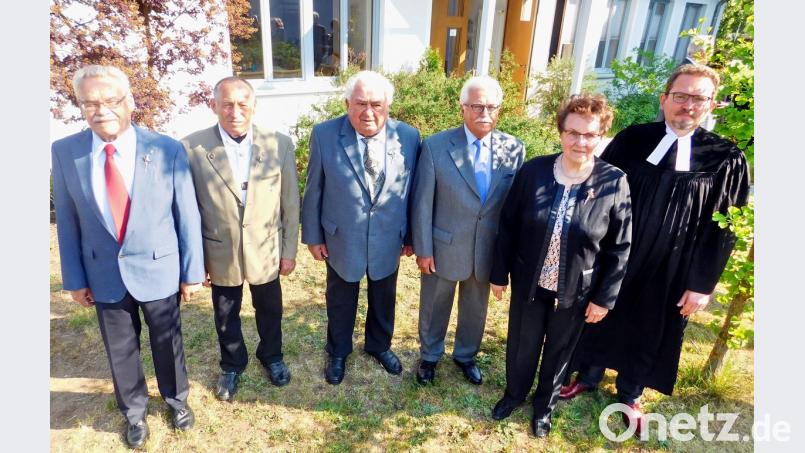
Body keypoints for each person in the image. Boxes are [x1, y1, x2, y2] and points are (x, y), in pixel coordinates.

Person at [562, 64, 751, 435]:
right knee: (600, 314)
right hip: (617, 254)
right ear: (664, 99)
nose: (688, 105)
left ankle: (630, 393)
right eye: (680, 96)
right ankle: (588, 375)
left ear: (712, 104)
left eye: (698, 98)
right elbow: (597, 192)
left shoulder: (726, 158)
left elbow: (724, 229)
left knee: (651, 326)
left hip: (674, 267)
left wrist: (702, 284)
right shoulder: (633, 139)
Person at [51, 65, 204, 448]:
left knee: (167, 341)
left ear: (130, 102)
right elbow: (66, 220)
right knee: (120, 349)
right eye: (90, 102)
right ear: (81, 106)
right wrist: (75, 279)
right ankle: (134, 413)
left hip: (158, 266)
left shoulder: (166, 148)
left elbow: (186, 213)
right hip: (103, 272)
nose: (101, 110)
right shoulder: (65, 152)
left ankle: (176, 400)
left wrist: (192, 272)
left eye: (110, 100)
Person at [487, 95, 632, 437]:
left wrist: (604, 298)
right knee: (522, 344)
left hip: (577, 289)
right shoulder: (534, 171)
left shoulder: (614, 182)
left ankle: (544, 408)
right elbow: (508, 224)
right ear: (561, 132)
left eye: (590, 134)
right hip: (529, 281)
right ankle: (514, 394)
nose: (580, 142)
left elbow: (620, 246)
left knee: (559, 351)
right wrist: (499, 274)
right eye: (573, 133)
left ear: (601, 136)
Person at [182, 77, 299, 401]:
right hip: (219, 250)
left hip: (266, 247)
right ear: (214, 106)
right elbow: (188, 210)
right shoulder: (191, 148)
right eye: (227, 104)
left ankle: (272, 355)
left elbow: (290, 202)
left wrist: (289, 250)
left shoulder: (279, 144)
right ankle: (232, 364)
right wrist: (196, 263)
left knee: (270, 309)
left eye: (242, 104)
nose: (235, 111)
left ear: (254, 106)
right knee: (225, 314)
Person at [301, 70, 421, 385]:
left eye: (376, 104)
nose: (368, 112)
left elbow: (412, 192)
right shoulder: (324, 135)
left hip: (389, 236)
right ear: (347, 104)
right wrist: (313, 236)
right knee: (340, 297)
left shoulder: (408, 137)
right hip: (341, 237)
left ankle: (379, 345)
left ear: (388, 106)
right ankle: (338, 350)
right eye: (360, 103)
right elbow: (313, 189)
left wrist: (410, 236)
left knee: (384, 294)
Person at [411, 75, 525, 386]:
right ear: (462, 107)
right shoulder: (435, 146)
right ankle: (430, 356)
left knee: (476, 307)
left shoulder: (514, 148)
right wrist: (423, 249)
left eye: (491, 107)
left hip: (487, 247)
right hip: (443, 246)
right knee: (435, 304)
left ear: (499, 109)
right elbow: (422, 203)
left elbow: (513, 206)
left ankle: (465, 355)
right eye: (477, 106)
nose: (484, 113)